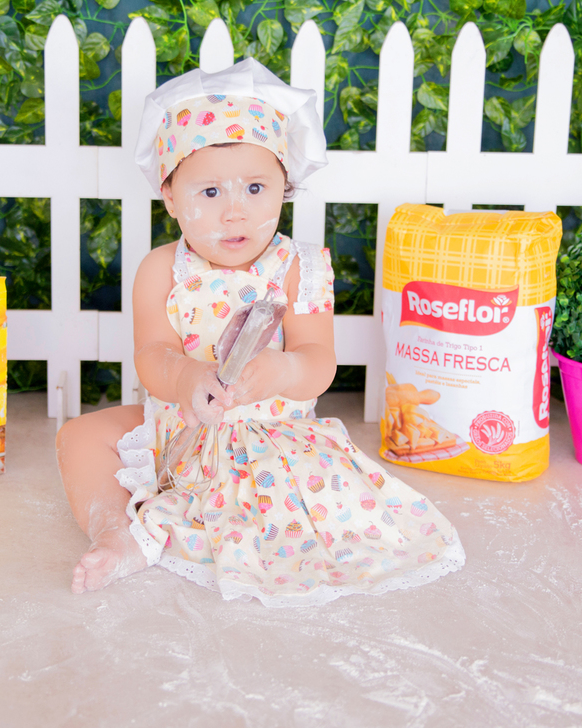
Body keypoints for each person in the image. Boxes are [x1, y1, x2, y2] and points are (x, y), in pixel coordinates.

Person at [55, 58, 464, 606]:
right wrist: (186, 377)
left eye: (254, 188)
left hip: (273, 435)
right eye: (209, 193)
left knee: (281, 510)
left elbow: (319, 360)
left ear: (284, 188)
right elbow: (152, 352)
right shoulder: (161, 268)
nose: (235, 213)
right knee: (79, 436)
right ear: (170, 197)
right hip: (178, 425)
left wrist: (283, 369)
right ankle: (116, 531)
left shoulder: (297, 268)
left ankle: (229, 511)